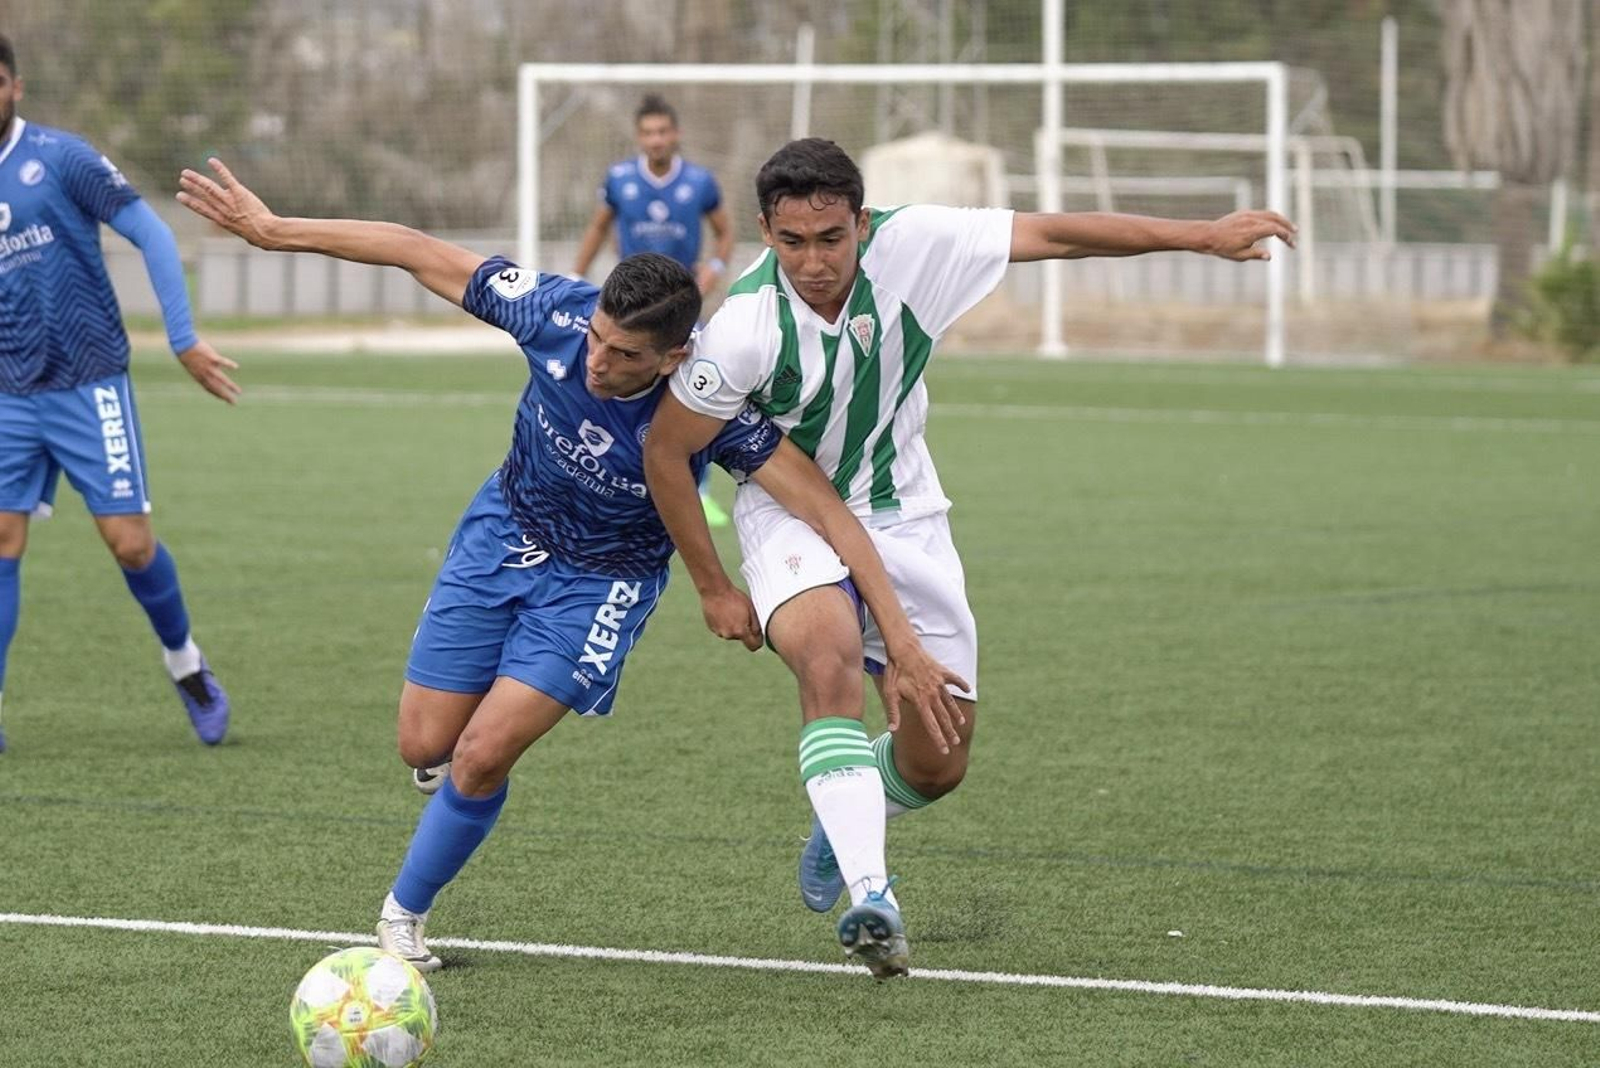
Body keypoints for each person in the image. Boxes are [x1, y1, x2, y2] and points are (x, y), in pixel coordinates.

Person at [176, 157, 966, 975]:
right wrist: (275, 231)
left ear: (673, 358)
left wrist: (841, 621)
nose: (596, 361)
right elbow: (414, 249)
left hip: (602, 584)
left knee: (483, 754)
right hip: (501, 533)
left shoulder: (710, 402)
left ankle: (401, 918)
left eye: (624, 355)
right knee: (424, 741)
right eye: (597, 339)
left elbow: (828, 511)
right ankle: (455, 773)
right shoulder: (555, 313)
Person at [642, 137, 1297, 977]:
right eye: (792, 242)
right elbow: (668, 452)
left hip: (905, 514)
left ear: (862, 225)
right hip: (789, 516)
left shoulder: (916, 248)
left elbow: (1055, 235)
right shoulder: (741, 329)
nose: (812, 261)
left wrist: (1199, 235)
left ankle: (849, 807)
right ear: (766, 232)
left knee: (938, 761)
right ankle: (872, 895)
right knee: (827, 656)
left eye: (831, 239)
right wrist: (711, 585)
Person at [0, 35, 238, 754]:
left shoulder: (61, 158)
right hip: (9, 392)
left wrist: (183, 336)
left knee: (130, 545)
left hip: (88, 378)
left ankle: (186, 666)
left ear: (13, 84)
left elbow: (152, 234)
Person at [572, 93, 736, 528]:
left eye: (663, 131)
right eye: (648, 132)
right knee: (613, 389)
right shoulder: (620, 179)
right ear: (638, 137)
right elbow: (599, 226)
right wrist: (575, 276)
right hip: (627, 311)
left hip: (679, 309)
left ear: (675, 134)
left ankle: (698, 490)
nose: (656, 139)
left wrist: (713, 271)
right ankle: (619, 482)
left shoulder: (699, 183)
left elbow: (724, 234)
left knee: (690, 396)